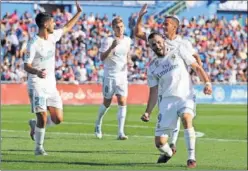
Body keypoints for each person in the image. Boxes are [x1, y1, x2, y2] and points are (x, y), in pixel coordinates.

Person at [135, 4, 203, 153]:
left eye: (166, 24)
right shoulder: (158, 39)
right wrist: (140, 16)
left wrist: (201, 73)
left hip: (181, 85)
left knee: (184, 115)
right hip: (165, 88)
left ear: (174, 26)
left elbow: (195, 57)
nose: (162, 26)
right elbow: (138, 32)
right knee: (171, 114)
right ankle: (170, 144)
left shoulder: (183, 44)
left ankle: (175, 145)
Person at [141, 32, 212, 168]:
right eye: (153, 45)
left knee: (186, 118)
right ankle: (168, 153)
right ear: (150, 47)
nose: (157, 46)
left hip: (185, 96)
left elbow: (196, 66)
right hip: (167, 102)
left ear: (164, 40)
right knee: (160, 143)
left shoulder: (179, 50)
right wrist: (148, 112)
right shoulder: (152, 67)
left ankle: (191, 158)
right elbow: (154, 91)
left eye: (158, 42)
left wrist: (207, 83)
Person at [24, 1, 82, 155]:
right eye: (52, 21)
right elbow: (26, 65)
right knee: (42, 116)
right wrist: (36, 72)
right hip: (36, 83)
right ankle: (39, 148)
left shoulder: (53, 36)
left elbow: (67, 27)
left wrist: (78, 13)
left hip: (50, 84)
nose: (55, 23)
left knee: (58, 119)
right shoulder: (33, 43)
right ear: (45, 24)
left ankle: (33, 125)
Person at [94, 17, 132, 140]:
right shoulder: (107, 40)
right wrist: (111, 47)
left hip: (122, 75)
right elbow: (102, 57)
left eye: (121, 27)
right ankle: (98, 123)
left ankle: (120, 132)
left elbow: (127, 54)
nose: (120, 29)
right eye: (117, 27)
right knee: (107, 103)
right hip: (110, 75)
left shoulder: (127, 40)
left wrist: (129, 60)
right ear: (113, 28)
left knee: (122, 102)